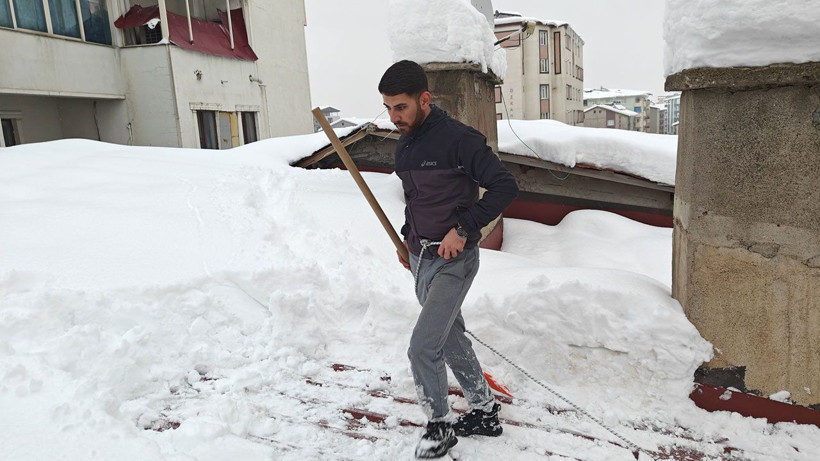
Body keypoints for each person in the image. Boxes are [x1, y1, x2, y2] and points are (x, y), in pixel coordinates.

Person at [378, 60, 519, 459]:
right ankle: (485, 411)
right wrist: (408, 241)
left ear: (425, 99)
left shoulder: (461, 141)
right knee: (449, 335)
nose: (394, 117)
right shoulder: (404, 144)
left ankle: (439, 426)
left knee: (423, 346)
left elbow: (504, 187)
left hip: (453, 260)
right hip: (421, 257)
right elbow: (416, 200)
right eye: (388, 108)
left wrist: (464, 229)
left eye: (401, 107)